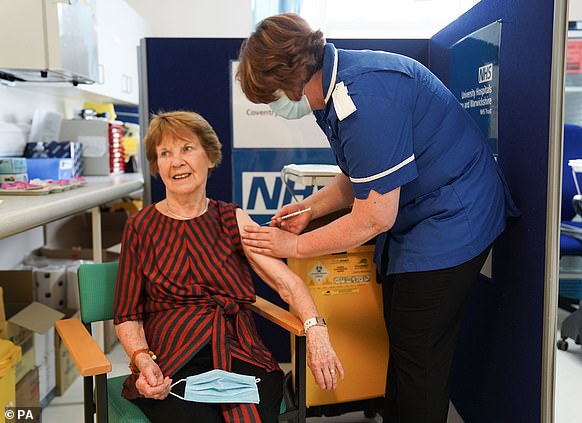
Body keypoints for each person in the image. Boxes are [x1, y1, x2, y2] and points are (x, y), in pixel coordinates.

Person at [236, 13, 519, 423]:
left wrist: (293, 246)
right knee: (406, 344)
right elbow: (360, 176)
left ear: (292, 76)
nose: (276, 108)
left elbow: (373, 218)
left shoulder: (366, 95)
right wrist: (309, 209)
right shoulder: (333, 88)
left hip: (455, 216)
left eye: (272, 97)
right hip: (422, 216)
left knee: (419, 355)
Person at [114, 111, 344, 423]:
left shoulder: (232, 218)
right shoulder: (140, 227)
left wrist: (316, 330)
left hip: (238, 351)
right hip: (171, 357)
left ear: (209, 156)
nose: (176, 161)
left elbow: (288, 283)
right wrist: (142, 361)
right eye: (165, 153)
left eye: (186, 149)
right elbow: (127, 315)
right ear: (157, 166)